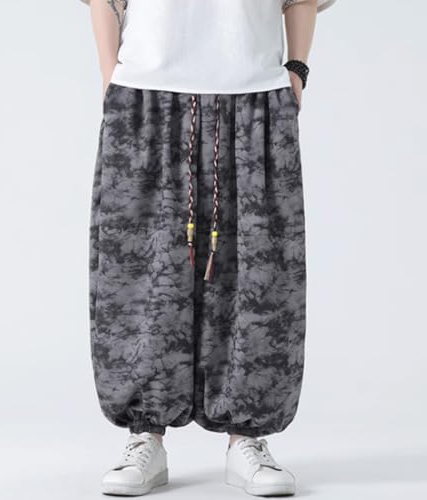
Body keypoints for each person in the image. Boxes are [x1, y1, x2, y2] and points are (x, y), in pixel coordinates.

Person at [81, 0, 336, 496]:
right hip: (145, 91)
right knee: (142, 270)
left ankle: (247, 437)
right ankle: (145, 434)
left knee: (258, 272)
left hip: (254, 92)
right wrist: (110, 78)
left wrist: (297, 72)